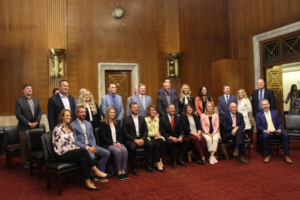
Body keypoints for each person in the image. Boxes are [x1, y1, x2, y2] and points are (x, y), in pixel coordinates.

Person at [53, 109, 110, 191]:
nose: (69, 117)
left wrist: (74, 147)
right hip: (61, 154)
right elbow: (58, 147)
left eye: (70, 115)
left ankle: (88, 183)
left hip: (71, 152)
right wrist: (73, 148)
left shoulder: (69, 128)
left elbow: (72, 142)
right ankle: (96, 171)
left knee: (83, 159)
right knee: (83, 151)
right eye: (67, 115)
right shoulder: (57, 129)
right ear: (62, 117)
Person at [71, 106, 110, 182]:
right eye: (81, 112)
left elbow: (92, 136)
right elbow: (75, 141)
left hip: (91, 145)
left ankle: (99, 173)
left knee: (106, 153)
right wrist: (87, 148)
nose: (84, 114)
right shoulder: (72, 125)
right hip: (83, 148)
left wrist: (93, 146)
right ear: (76, 113)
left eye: (84, 112)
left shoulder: (88, 123)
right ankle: (90, 176)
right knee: (91, 156)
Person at [15, 84, 42, 171]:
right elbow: (18, 114)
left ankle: (34, 163)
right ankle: (26, 164)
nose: (29, 90)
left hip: (35, 127)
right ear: (23, 90)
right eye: (27, 88)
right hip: (24, 127)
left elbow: (39, 113)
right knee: (25, 147)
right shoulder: (19, 101)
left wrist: (37, 122)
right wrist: (29, 123)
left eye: (31, 88)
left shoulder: (36, 100)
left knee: (34, 146)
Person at [256, 99, 292, 164]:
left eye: (266, 104)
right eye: (263, 105)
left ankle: (286, 155)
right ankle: (267, 155)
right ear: (261, 106)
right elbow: (258, 126)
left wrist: (279, 129)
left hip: (276, 132)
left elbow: (280, 123)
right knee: (265, 136)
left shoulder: (275, 112)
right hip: (266, 134)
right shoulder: (258, 114)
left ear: (269, 105)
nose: (265, 106)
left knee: (286, 135)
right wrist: (265, 130)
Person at [122, 102, 154, 176]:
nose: (136, 109)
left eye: (137, 107)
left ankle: (147, 164)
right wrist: (134, 140)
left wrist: (142, 139)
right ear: (130, 109)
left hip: (141, 138)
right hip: (130, 140)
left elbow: (145, 131)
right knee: (132, 147)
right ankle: (134, 166)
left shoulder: (142, 119)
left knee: (150, 144)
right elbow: (125, 133)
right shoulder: (126, 120)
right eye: (134, 107)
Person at [99, 107, 129, 180]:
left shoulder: (117, 122)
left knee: (125, 150)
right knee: (118, 151)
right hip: (108, 144)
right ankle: (118, 172)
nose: (113, 114)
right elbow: (103, 137)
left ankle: (123, 171)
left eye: (114, 112)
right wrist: (113, 143)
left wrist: (118, 142)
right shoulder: (103, 123)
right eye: (111, 112)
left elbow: (120, 135)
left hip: (117, 142)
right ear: (107, 113)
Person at [159, 103, 189, 168]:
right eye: (171, 108)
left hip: (177, 137)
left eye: (174, 108)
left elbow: (181, 129)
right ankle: (173, 159)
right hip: (168, 138)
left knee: (186, 140)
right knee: (169, 142)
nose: (173, 110)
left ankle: (180, 158)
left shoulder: (178, 118)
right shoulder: (162, 119)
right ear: (167, 109)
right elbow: (162, 132)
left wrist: (181, 136)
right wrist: (171, 137)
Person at [145, 105, 165, 172]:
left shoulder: (157, 119)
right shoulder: (145, 120)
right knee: (156, 144)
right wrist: (154, 134)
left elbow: (160, 130)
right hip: (149, 137)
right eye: (152, 110)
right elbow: (145, 132)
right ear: (149, 111)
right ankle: (157, 162)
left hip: (157, 136)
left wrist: (158, 134)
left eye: (154, 110)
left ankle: (160, 160)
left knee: (161, 141)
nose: (154, 111)